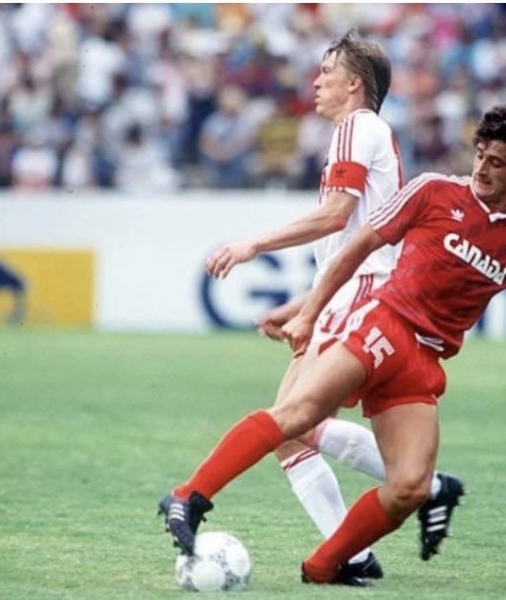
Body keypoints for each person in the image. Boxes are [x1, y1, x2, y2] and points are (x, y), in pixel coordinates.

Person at [157, 103, 506, 586]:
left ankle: (324, 567)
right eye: (481, 155)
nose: (482, 168)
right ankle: (188, 496)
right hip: (382, 325)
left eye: (497, 163)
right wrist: (309, 313)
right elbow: (357, 248)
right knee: (298, 415)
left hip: (423, 361)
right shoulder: (434, 191)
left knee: (411, 487)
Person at [158, 30, 464, 578]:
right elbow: (351, 246)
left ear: (355, 83)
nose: (316, 81)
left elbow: (335, 216)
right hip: (356, 295)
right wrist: (307, 306)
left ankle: (192, 496)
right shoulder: (365, 133)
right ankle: (362, 548)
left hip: (364, 298)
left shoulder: (356, 126)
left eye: (326, 71)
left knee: (290, 420)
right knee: (292, 430)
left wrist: (254, 245)